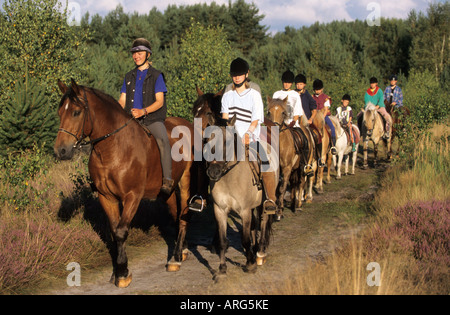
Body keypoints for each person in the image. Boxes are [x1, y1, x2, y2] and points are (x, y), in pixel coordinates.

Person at [221, 57, 278, 213]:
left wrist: (247, 134)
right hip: (231, 137)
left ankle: (270, 199)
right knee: (210, 158)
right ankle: (204, 195)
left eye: (240, 74)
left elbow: (256, 119)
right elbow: (225, 119)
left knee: (265, 160)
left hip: (250, 136)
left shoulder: (254, 95)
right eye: (234, 74)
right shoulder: (227, 96)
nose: (237, 77)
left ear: (247, 74)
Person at [118, 38, 174, 195]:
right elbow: (122, 100)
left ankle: (168, 180)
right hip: (130, 120)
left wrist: (143, 111)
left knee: (163, 140)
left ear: (148, 55)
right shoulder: (128, 76)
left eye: (140, 53)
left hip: (151, 119)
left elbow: (160, 102)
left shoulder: (156, 76)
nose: (136, 56)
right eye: (134, 54)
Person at [312, 79, 337, 156]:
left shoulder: (326, 97)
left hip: (324, 116)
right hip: (314, 116)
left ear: (322, 89)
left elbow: (326, 109)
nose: (317, 91)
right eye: (316, 89)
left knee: (332, 128)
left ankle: (333, 145)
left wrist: (322, 117)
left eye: (319, 89)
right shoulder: (311, 97)